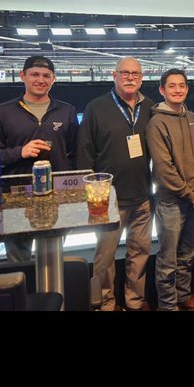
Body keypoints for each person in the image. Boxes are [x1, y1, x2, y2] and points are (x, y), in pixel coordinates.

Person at [76, 57, 153, 311]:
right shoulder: (96, 107)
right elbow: (85, 152)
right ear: (114, 75)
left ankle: (134, 301)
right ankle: (104, 304)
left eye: (135, 74)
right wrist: (88, 196)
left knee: (139, 254)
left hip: (142, 196)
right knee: (104, 258)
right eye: (125, 73)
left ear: (141, 78)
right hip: (108, 199)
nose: (130, 78)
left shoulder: (149, 106)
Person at [0, 55, 79, 262]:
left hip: (56, 195)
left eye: (46, 75)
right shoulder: (2, 112)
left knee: (52, 257)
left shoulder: (66, 111)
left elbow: (74, 153)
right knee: (18, 258)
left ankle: (52, 294)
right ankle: (21, 294)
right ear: (23, 76)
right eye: (35, 74)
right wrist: (19, 152)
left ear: (54, 79)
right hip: (16, 195)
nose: (41, 80)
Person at [146, 70, 194, 311]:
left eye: (182, 85)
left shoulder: (192, 118)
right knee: (168, 259)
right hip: (171, 201)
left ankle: (183, 296)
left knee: (189, 253)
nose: (178, 90)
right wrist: (190, 193)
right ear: (162, 90)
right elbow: (163, 169)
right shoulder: (156, 123)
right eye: (172, 86)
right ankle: (168, 305)